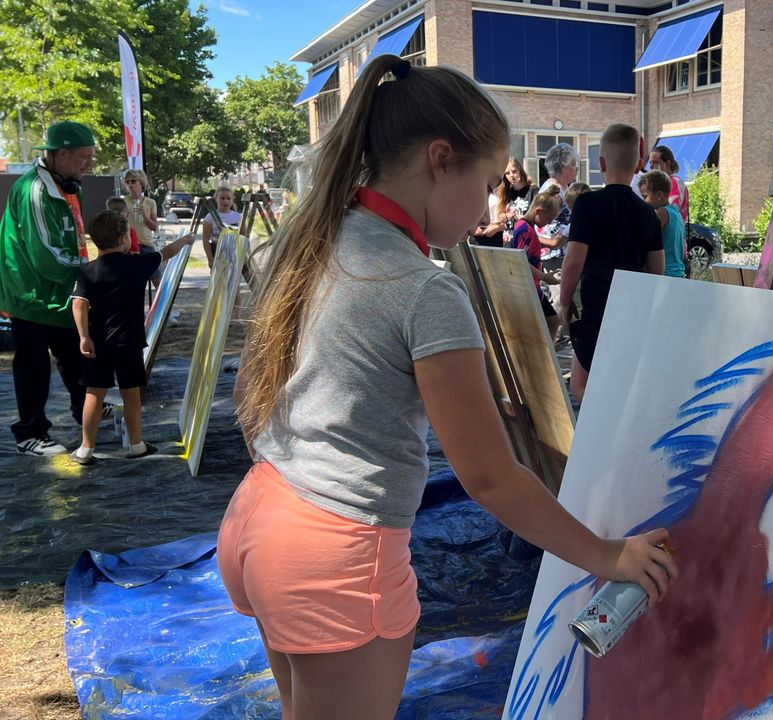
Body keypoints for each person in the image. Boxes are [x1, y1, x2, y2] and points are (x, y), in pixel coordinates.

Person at [218, 57, 676, 720]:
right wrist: (609, 556)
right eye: (488, 182)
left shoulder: (311, 236)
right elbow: (491, 479)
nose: (490, 205)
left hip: (260, 519)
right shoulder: (426, 289)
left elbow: (250, 397)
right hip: (336, 555)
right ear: (440, 159)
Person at [0, 120, 103, 456]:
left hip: (60, 292)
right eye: (83, 157)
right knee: (33, 364)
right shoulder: (36, 191)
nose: (88, 164)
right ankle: (30, 432)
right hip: (31, 293)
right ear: (60, 154)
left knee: (74, 352)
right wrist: (94, 273)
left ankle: (84, 410)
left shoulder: (68, 185)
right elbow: (45, 256)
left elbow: (73, 238)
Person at [70, 212, 197, 465]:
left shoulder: (87, 271)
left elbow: (79, 305)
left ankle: (85, 448)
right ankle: (136, 445)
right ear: (122, 238)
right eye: (128, 234)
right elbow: (167, 252)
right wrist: (185, 241)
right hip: (129, 342)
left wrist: (84, 336)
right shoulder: (138, 263)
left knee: (94, 394)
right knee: (131, 394)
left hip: (98, 343)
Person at [558, 123, 664, 404]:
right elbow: (657, 270)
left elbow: (573, 261)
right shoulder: (648, 213)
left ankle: (595, 441)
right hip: (633, 309)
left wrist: (565, 300)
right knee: (621, 382)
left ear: (601, 162)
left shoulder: (587, 204)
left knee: (581, 388)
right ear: (639, 164)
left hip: (597, 306)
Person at [510, 189, 564, 337]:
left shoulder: (526, 227)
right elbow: (521, 261)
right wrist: (544, 276)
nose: (548, 224)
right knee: (551, 321)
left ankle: (547, 355)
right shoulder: (525, 229)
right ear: (538, 211)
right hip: (528, 287)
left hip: (533, 286)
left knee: (552, 321)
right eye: (548, 219)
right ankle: (546, 357)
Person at [537, 143, 578, 271]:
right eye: (573, 164)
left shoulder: (564, 188)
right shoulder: (552, 191)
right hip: (555, 259)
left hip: (562, 255)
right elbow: (545, 227)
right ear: (562, 167)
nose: (576, 168)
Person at [638, 170, 686, 278]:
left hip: (666, 273)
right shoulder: (676, 213)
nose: (643, 201)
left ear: (659, 195)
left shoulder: (662, 213)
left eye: (645, 196)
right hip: (678, 273)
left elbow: (648, 241)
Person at [474, 158, 531, 247]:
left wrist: (498, 227)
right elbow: (502, 219)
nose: (511, 176)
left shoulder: (532, 190)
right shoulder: (507, 192)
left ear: (520, 170)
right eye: (507, 173)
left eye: (514, 171)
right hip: (507, 241)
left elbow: (531, 220)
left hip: (523, 241)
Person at [201, 186, 243, 265]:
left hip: (235, 255)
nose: (226, 201)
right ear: (216, 199)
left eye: (228, 198)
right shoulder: (210, 217)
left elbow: (244, 236)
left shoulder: (238, 217)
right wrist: (210, 259)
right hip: (217, 254)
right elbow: (206, 239)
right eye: (222, 198)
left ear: (232, 200)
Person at [647, 145, 689, 223]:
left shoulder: (674, 182)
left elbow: (669, 213)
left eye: (655, 162)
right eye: (650, 162)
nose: (651, 166)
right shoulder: (664, 183)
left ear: (667, 164)